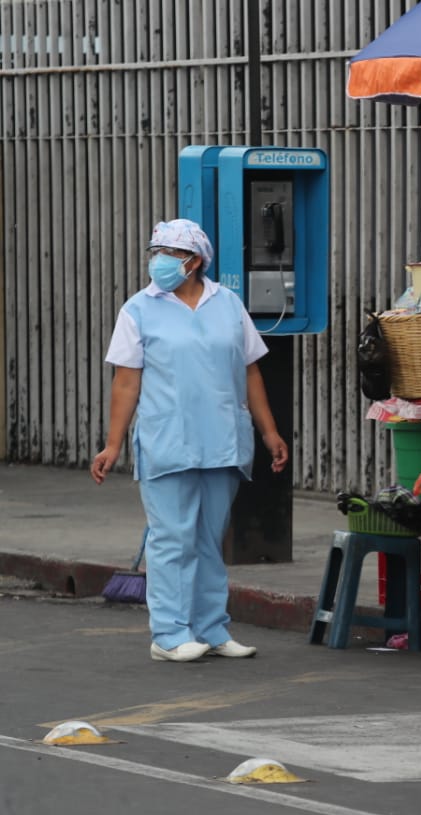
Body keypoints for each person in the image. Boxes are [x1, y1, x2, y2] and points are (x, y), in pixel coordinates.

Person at [90, 219, 289, 662]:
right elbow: (125, 383)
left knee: (208, 539)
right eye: (154, 252)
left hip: (222, 438)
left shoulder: (228, 303)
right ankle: (169, 634)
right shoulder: (138, 309)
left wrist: (269, 431)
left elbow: (250, 370)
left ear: (196, 261)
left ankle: (212, 629)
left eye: (168, 253)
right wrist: (113, 443)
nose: (157, 261)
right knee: (172, 538)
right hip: (167, 440)